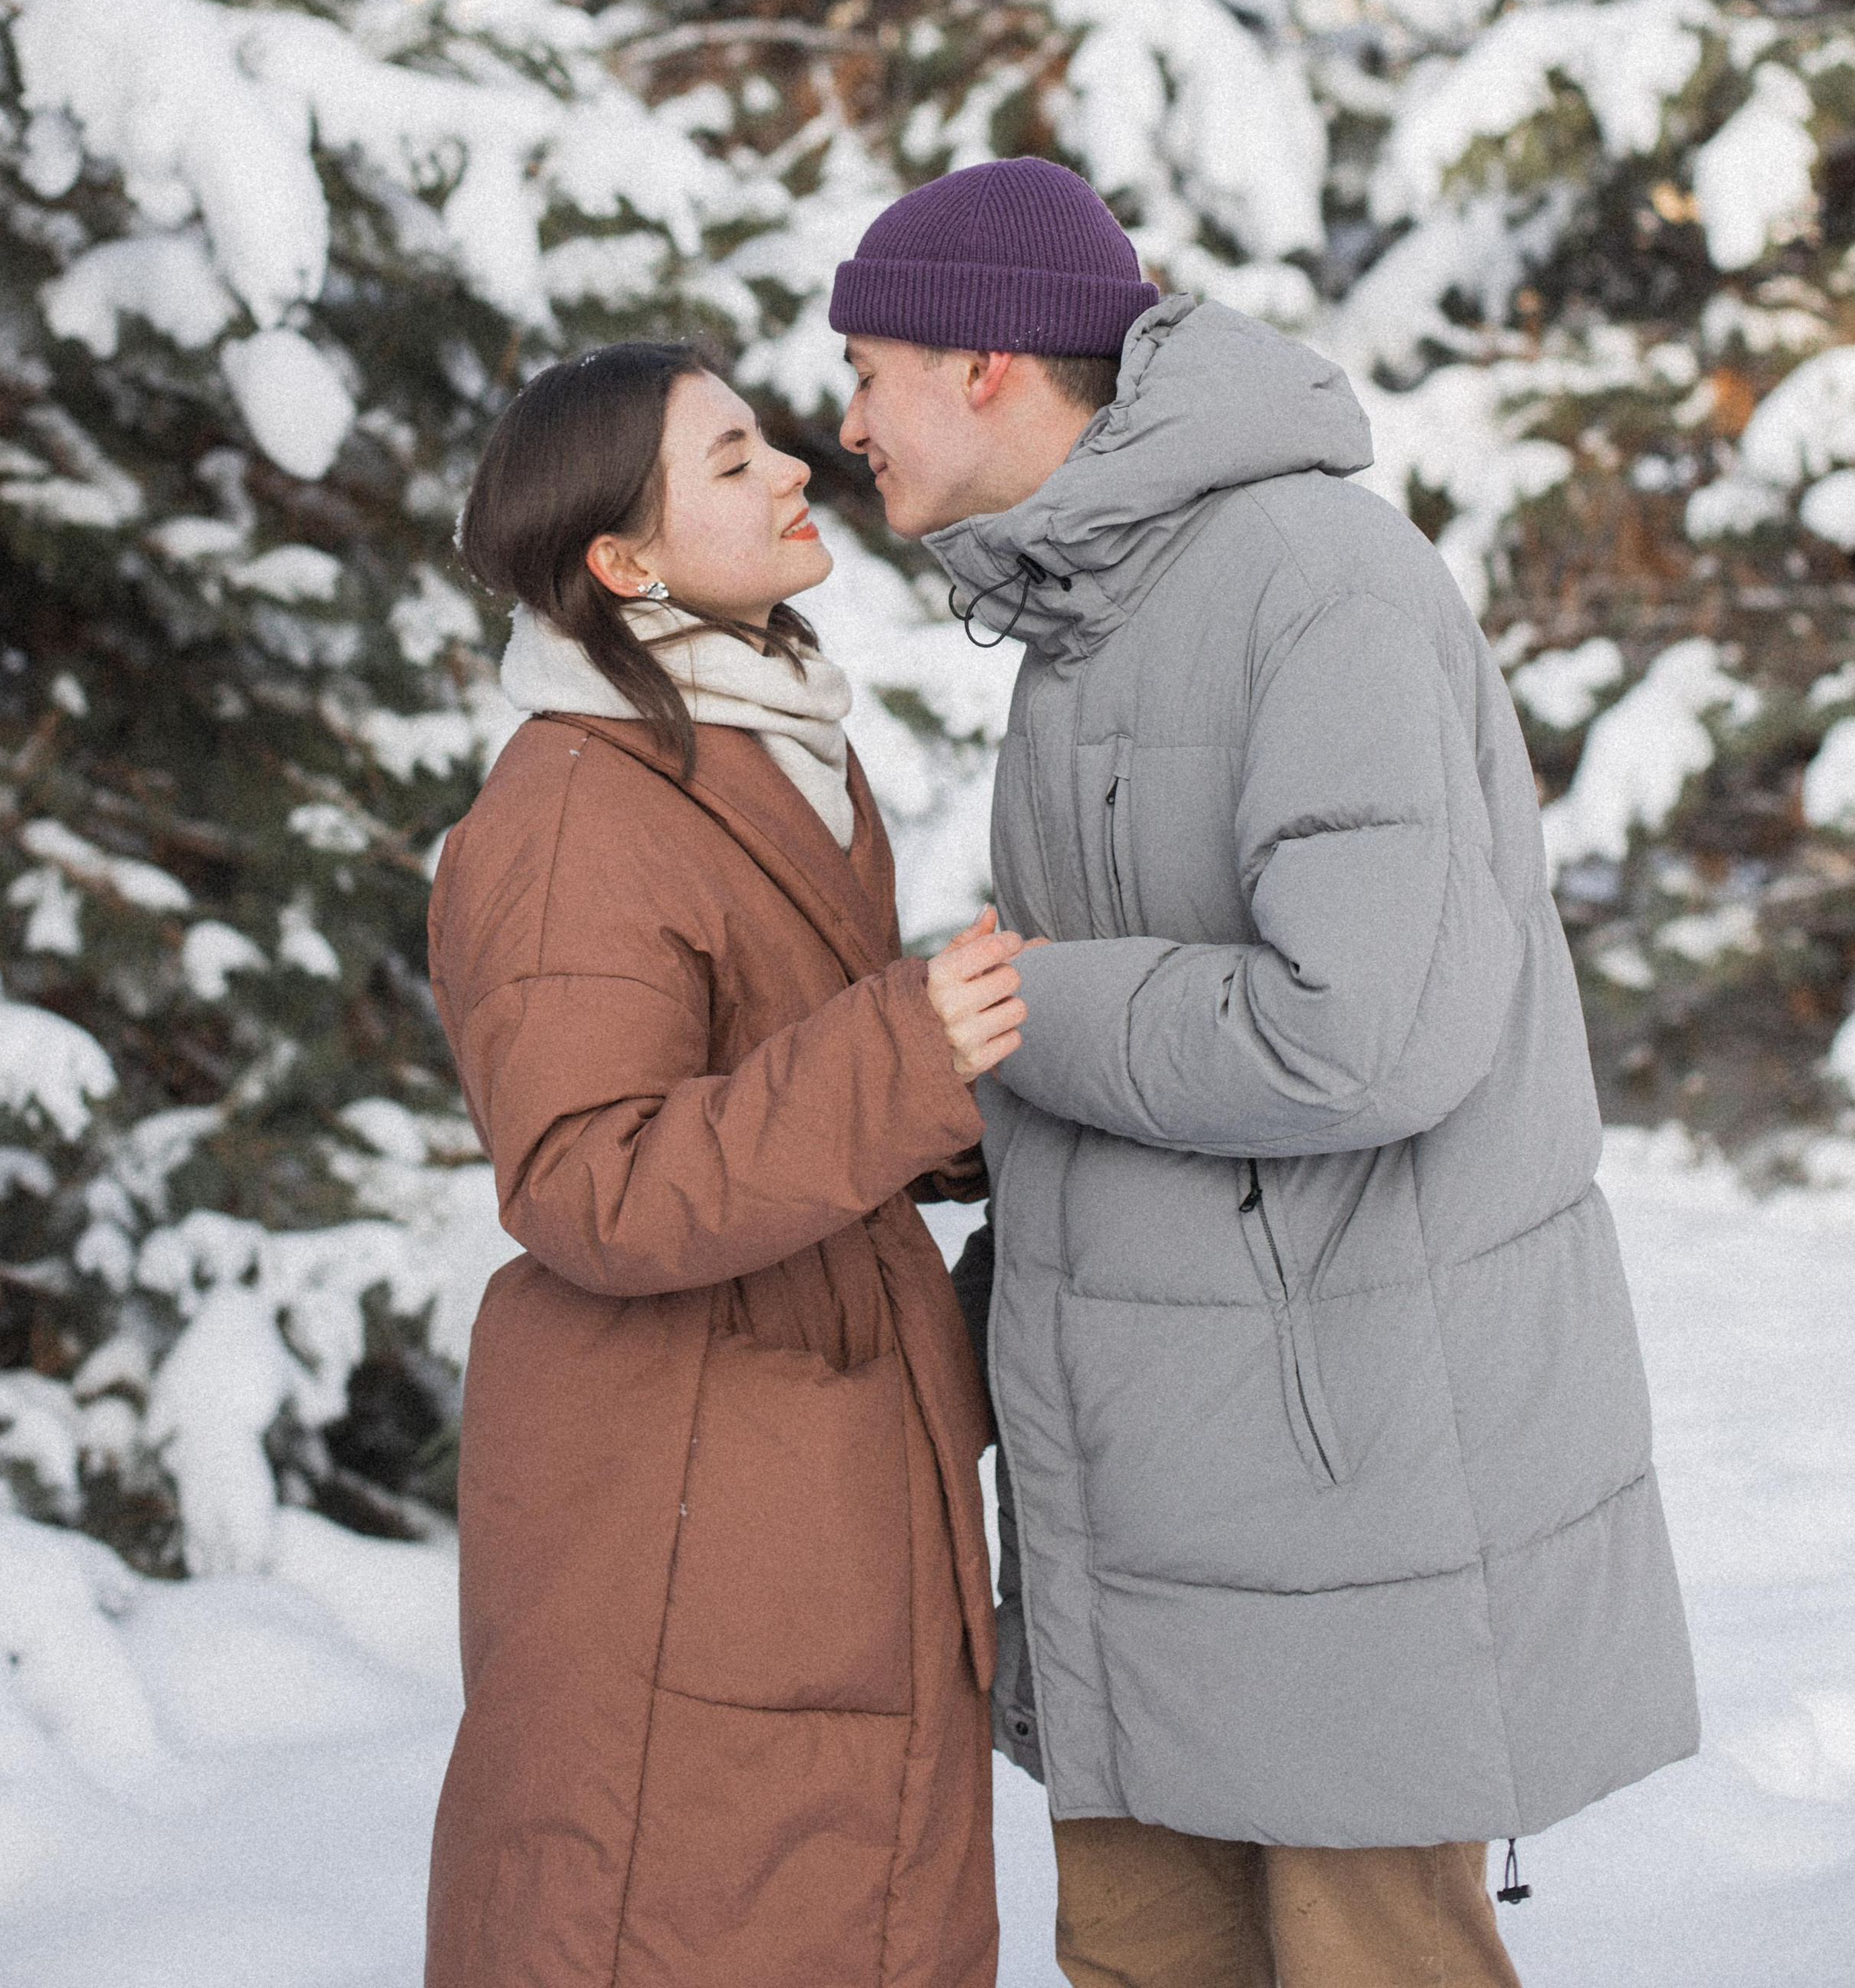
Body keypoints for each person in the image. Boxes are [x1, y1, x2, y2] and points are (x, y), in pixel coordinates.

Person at [829, 157, 1700, 1988]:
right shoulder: (1090, 610)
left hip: (1337, 1482)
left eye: (867, 367)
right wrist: (954, 1098)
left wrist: (1029, 1011)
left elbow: (1358, 1032)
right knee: (1150, 1964)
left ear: (985, 366)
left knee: (1364, 1962)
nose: (841, 426)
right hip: (1141, 1477)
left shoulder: (1313, 584)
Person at [422, 340, 1029, 1988]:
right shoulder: (568, 811)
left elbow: (765, 1088)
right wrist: (901, 1054)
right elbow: (587, 1178)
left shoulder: (758, 750)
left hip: (800, 1474)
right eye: (733, 458)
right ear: (621, 564)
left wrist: (954, 1111)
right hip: (683, 1505)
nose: (792, 473)